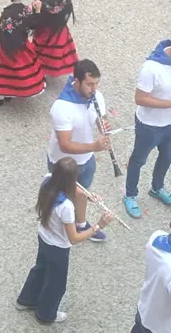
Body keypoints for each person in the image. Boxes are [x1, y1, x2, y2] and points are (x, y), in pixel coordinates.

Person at [16, 157, 113, 324]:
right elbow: (74, 238)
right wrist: (98, 226)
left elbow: (72, 190)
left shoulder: (47, 180)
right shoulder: (66, 207)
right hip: (58, 247)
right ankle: (45, 314)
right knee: (56, 283)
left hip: (44, 237)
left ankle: (26, 300)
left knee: (40, 268)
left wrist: (86, 197)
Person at [124, 30, 171, 219]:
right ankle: (130, 195)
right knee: (139, 160)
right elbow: (140, 99)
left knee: (168, 156)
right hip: (149, 125)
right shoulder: (151, 68)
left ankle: (157, 188)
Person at [45, 60, 109, 237]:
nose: (94, 89)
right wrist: (95, 146)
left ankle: (80, 224)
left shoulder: (97, 96)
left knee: (82, 194)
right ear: (77, 81)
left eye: (96, 83)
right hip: (63, 164)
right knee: (59, 196)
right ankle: (54, 223)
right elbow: (65, 145)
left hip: (86, 160)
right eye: (89, 84)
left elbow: (101, 118)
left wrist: (103, 126)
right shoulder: (62, 108)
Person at [30, 0, 78, 79]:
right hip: (61, 32)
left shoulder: (45, 0)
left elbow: (40, 18)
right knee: (57, 51)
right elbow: (67, 8)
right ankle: (54, 69)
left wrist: (37, 9)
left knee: (42, 51)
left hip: (47, 33)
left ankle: (40, 72)